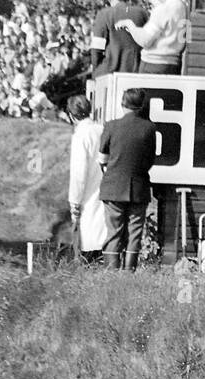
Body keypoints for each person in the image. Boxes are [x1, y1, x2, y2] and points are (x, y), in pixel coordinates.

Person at [97, 87, 158, 271]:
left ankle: (111, 270)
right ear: (141, 106)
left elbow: (102, 159)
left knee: (113, 231)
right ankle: (129, 271)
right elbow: (150, 161)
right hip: (139, 187)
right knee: (135, 232)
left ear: (122, 104)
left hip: (113, 187)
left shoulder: (111, 126)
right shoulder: (149, 128)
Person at [67, 95, 112, 263]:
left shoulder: (80, 136)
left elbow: (79, 173)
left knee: (88, 239)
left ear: (71, 115)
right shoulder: (102, 129)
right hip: (106, 186)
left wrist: (74, 201)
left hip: (87, 192)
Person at [119, 0, 189, 75]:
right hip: (174, 64)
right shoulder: (184, 7)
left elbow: (145, 40)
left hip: (153, 64)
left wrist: (129, 25)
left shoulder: (163, 9)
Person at [89, 0, 148, 81]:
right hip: (136, 73)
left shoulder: (104, 14)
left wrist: (96, 71)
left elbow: (96, 50)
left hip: (109, 74)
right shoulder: (142, 13)